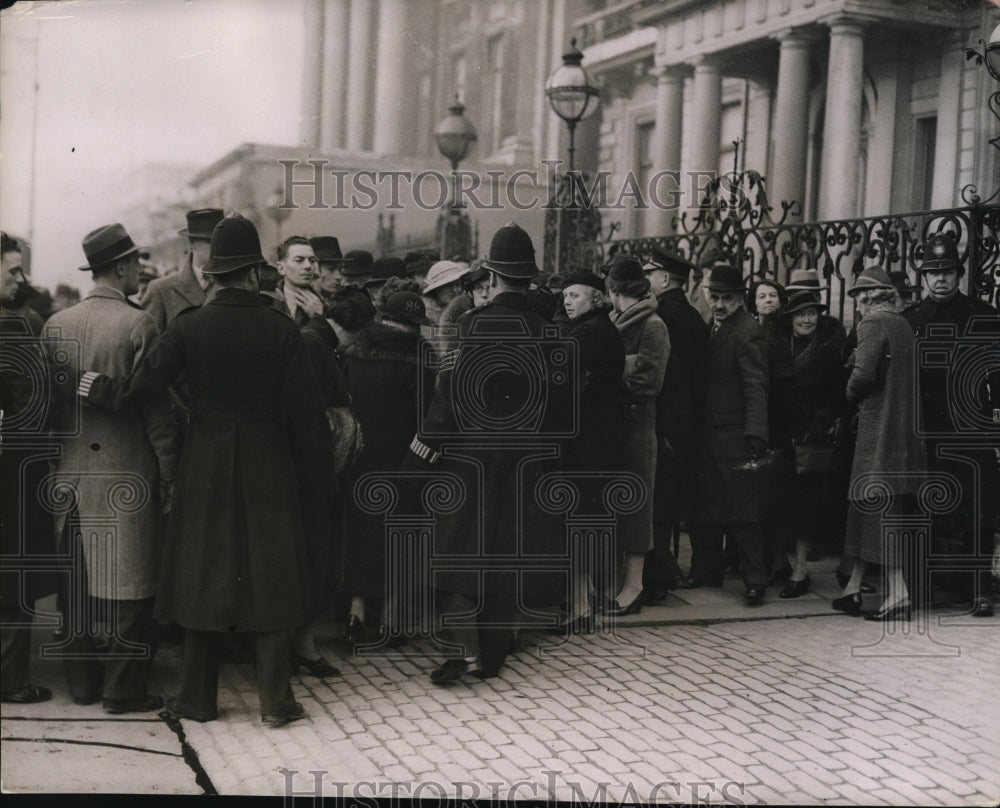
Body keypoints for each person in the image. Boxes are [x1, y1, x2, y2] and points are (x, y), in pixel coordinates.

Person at [77, 215, 335, 727]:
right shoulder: (282, 329)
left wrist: (97, 387)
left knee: (203, 576)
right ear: (256, 273)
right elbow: (309, 417)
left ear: (213, 274)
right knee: (272, 575)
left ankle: (197, 700)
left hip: (206, 460)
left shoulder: (189, 327)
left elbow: (139, 391)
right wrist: (317, 481)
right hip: (270, 462)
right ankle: (275, 702)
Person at [406, 223, 566, 684]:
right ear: (530, 279)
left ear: (492, 277)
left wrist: (417, 461)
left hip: (471, 460)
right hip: (526, 461)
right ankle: (494, 654)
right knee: (506, 555)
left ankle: (465, 651)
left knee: (461, 555)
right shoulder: (549, 332)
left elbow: (448, 402)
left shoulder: (468, 327)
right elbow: (559, 407)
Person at [47, 223, 178, 713]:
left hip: (71, 473)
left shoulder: (55, 325)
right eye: (136, 263)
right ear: (121, 267)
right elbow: (157, 413)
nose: (140, 270)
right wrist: (168, 472)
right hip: (128, 473)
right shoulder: (138, 324)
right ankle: (123, 690)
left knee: (76, 585)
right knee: (132, 585)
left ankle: (82, 684)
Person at [902, 234, 1000, 616]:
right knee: (923, 511)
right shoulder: (909, 321)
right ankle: (921, 589)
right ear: (923, 277)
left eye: (946, 272)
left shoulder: (985, 316)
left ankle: (979, 591)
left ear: (959, 274)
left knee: (979, 510)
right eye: (932, 272)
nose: (939, 279)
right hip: (924, 433)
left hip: (971, 432)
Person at [340, 291, 436, 645]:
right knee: (401, 536)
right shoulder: (419, 358)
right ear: (412, 326)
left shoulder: (356, 353)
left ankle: (356, 612)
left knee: (362, 533)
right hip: (403, 461)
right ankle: (391, 621)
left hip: (361, 457)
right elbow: (427, 417)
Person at [834, 267, 926, 620]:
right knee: (869, 508)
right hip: (903, 433)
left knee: (875, 509)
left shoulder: (871, 324)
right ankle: (852, 588)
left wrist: (849, 393)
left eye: (858, 297)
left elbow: (863, 375)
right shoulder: (902, 324)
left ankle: (898, 592)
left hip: (878, 428)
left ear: (866, 298)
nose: (857, 304)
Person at [687, 265, 770, 605]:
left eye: (727, 298)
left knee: (743, 510)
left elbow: (756, 385)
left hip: (735, 433)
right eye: (715, 297)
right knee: (706, 503)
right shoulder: (714, 325)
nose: (719, 304)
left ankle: (755, 581)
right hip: (710, 431)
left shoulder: (747, 331)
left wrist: (755, 433)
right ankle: (708, 570)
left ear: (740, 299)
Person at [1, 232, 57, 705]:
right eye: (13, 270)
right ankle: (11, 680)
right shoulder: (15, 328)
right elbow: (31, 411)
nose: (21, 279)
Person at [556, 270, 626, 632]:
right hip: (603, 436)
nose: (567, 301)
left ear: (596, 298)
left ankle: (581, 608)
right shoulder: (605, 328)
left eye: (575, 295)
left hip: (586, 439)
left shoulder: (586, 334)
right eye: (565, 295)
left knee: (577, 520)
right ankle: (587, 599)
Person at [766, 291, 846, 597]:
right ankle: (778, 563)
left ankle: (800, 571)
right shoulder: (776, 347)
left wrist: (821, 421)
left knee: (802, 508)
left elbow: (838, 394)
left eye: (812, 313)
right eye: (801, 314)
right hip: (779, 435)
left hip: (809, 439)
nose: (807, 319)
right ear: (789, 319)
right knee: (776, 503)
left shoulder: (828, 351)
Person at [641, 248, 709, 600]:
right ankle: (667, 571)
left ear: (665, 279)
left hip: (662, 422)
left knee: (657, 505)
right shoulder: (696, 317)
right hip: (686, 424)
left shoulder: (660, 317)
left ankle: (661, 574)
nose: (646, 280)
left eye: (650, 274)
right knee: (668, 503)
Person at [605, 257, 669, 615]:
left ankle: (634, 587)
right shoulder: (619, 322)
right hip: (619, 427)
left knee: (636, 509)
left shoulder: (653, 325)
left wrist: (609, 378)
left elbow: (649, 381)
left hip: (637, 428)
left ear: (614, 290)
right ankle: (620, 585)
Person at [143, 208, 224, 331]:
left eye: (222, 241)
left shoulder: (235, 281)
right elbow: (151, 346)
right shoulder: (161, 290)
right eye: (211, 241)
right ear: (192, 243)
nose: (218, 247)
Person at [277, 236, 323, 328]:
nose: (308, 266)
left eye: (312, 260)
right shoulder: (266, 300)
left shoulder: (322, 304)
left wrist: (320, 317)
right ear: (281, 268)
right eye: (299, 260)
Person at [422, 260, 470, 326]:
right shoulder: (425, 316)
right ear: (436, 289)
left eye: (458, 284)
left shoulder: (467, 309)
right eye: (449, 285)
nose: (455, 290)